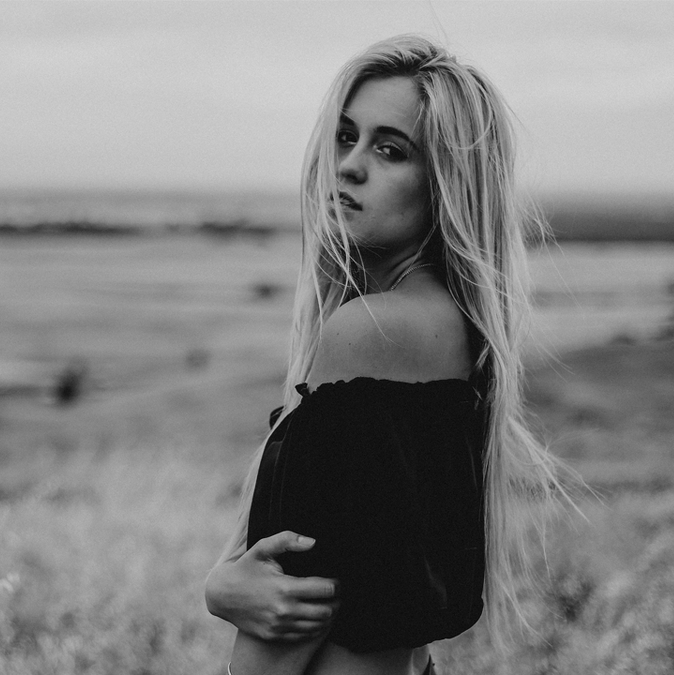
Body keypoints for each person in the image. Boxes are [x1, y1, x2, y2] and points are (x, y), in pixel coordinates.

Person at [205, 34, 568, 675]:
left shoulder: (372, 330)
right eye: (345, 137)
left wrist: (225, 591)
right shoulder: (450, 329)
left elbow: (296, 592)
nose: (348, 166)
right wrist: (222, 585)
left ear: (446, 184)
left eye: (390, 149)